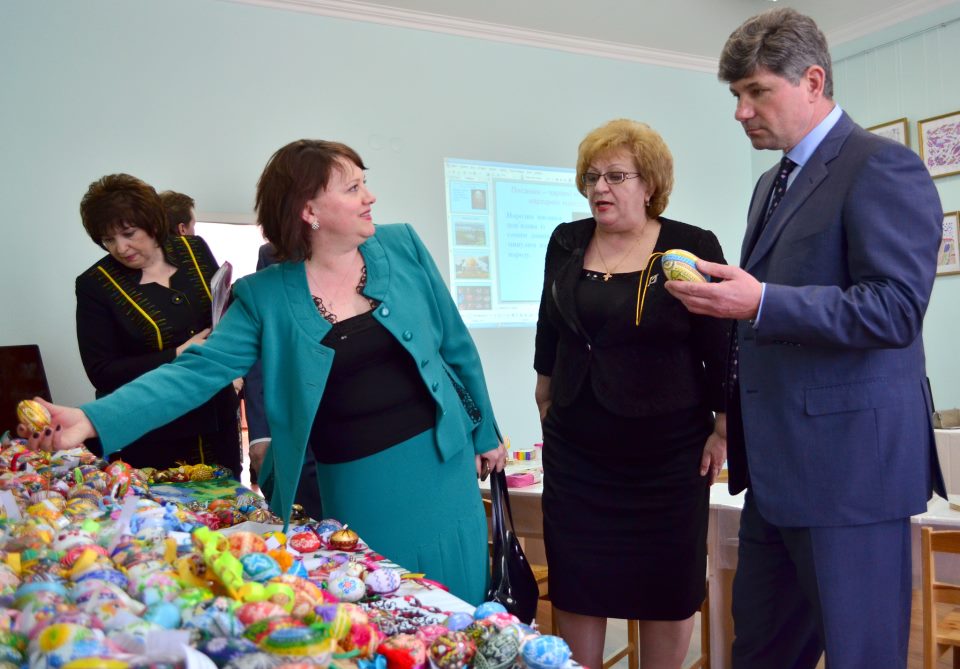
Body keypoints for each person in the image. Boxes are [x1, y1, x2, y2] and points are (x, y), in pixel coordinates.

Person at [25, 140, 506, 605]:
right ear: (309, 210)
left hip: (443, 463)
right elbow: (195, 372)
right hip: (359, 480)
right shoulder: (266, 296)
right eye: (353, 187)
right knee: (394, 606)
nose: (370, 197)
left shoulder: (402, 246)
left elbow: (455, 344)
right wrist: (91, 420)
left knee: (465, 598)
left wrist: (486, 432)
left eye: (364, 183)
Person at [664, 8, 945, 668]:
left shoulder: (882, 166)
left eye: (756, 92)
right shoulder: (771, 183)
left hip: (851, 478)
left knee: (861, 658)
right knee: (759, 656)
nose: (741, 112)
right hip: (775, 476)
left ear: (813, 81)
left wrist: (759, 301)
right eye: (737, 95)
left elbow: (896, 309)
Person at [534, 119, 728, 669]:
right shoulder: (567, 240)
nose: (600, 187)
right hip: (578, 452)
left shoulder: (691, 245)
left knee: (667, 586)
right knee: (578, 582)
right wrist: (544, 390)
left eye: (616, 176)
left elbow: (721, 340)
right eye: (591, 176)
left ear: (650, 184)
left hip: (668, 454)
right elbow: (551, 323)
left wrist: (724, 427)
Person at [71, 174, 240, 474]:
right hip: (153, 431)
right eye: (109, 240)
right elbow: (102, 371)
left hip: (217, 418)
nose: (121, 248)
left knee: (229, 499)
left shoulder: (195, 249)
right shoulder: (95, 285)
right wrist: (176, 354)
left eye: (129, 233)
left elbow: (222, 310)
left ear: (152, 223)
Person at [243, 241, 323, 520]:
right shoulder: (273, 255)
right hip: (299, 433)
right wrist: (260, 434)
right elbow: (260, 351)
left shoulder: (379, 252)